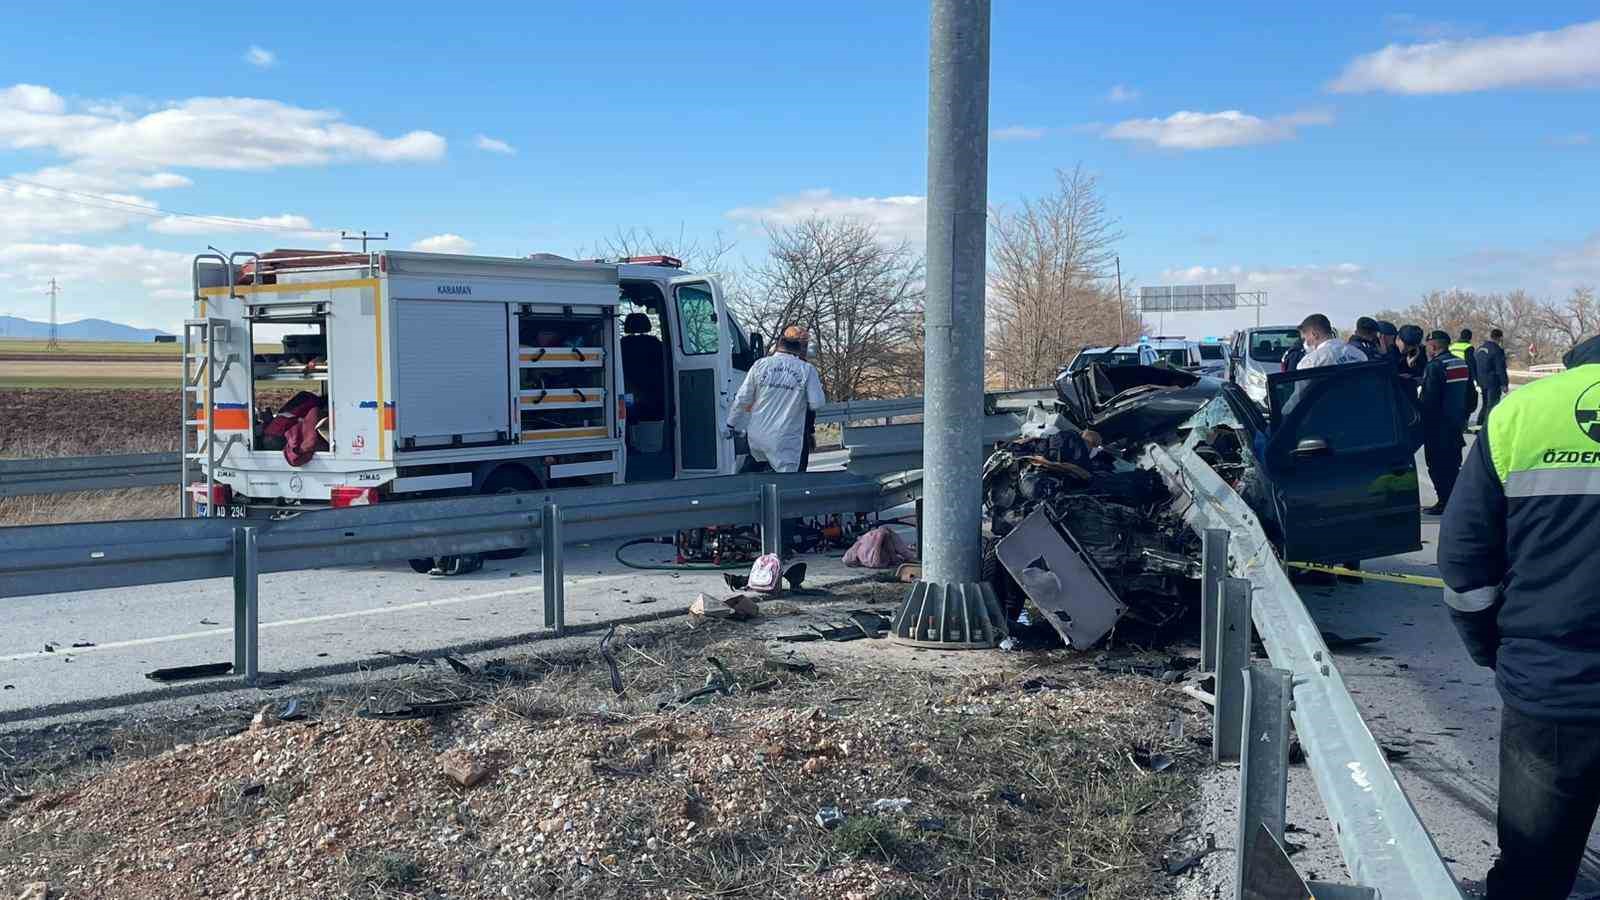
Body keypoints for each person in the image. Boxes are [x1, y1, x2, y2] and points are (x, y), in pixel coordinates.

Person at [1436, 334, 1600, 900]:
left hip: (1551, 686)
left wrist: (1492, 648)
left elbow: (1464, 561)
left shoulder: (1520, 415)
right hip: (1550, 676)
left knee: (1532, 872)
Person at [726, 324, 825, 473]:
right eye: (804, 344)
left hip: (757, 437)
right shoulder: (806, 370)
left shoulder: (760, 365)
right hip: (785, 439)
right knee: (788, 481)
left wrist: (730, 424)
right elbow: (817, 404)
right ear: (798, 346)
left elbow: (742, 398)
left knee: (750, 476)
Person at [1419, 330, 1470, 514]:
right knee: (1453, 465)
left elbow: (1429, 400)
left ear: (1433, 346)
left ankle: (1444, 502)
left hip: (1438, 426)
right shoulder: (1461, 363)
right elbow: (1471, 394)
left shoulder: (1435, 366)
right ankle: (1456, 501)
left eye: (1427, 346)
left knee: (1437, 466)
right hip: (1456, 424)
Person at [1293, 313, 1368, 369]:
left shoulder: (1310, 362)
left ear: (1314, 334)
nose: (1305, 342)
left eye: (1305, 338)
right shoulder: (1360, 355)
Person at [1476, 328, 1509, 426]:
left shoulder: (1480, 349)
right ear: (1500, 338)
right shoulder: (1497, 350)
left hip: (1481, 380)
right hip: (1493, 382)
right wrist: (1504, 383)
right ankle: (1487, 428)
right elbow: (1500, 368)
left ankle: (1479, 425)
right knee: (1492, 405)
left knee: (1485, 404)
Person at [1451, 328, 1480, 428]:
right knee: (1468, 400)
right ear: (1470, 338)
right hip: (1464, 376)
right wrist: (1476, 379)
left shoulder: (1452, 346)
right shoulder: (1468, 347)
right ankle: (1464, 423)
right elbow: (1471, 363)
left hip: (1451, 375)